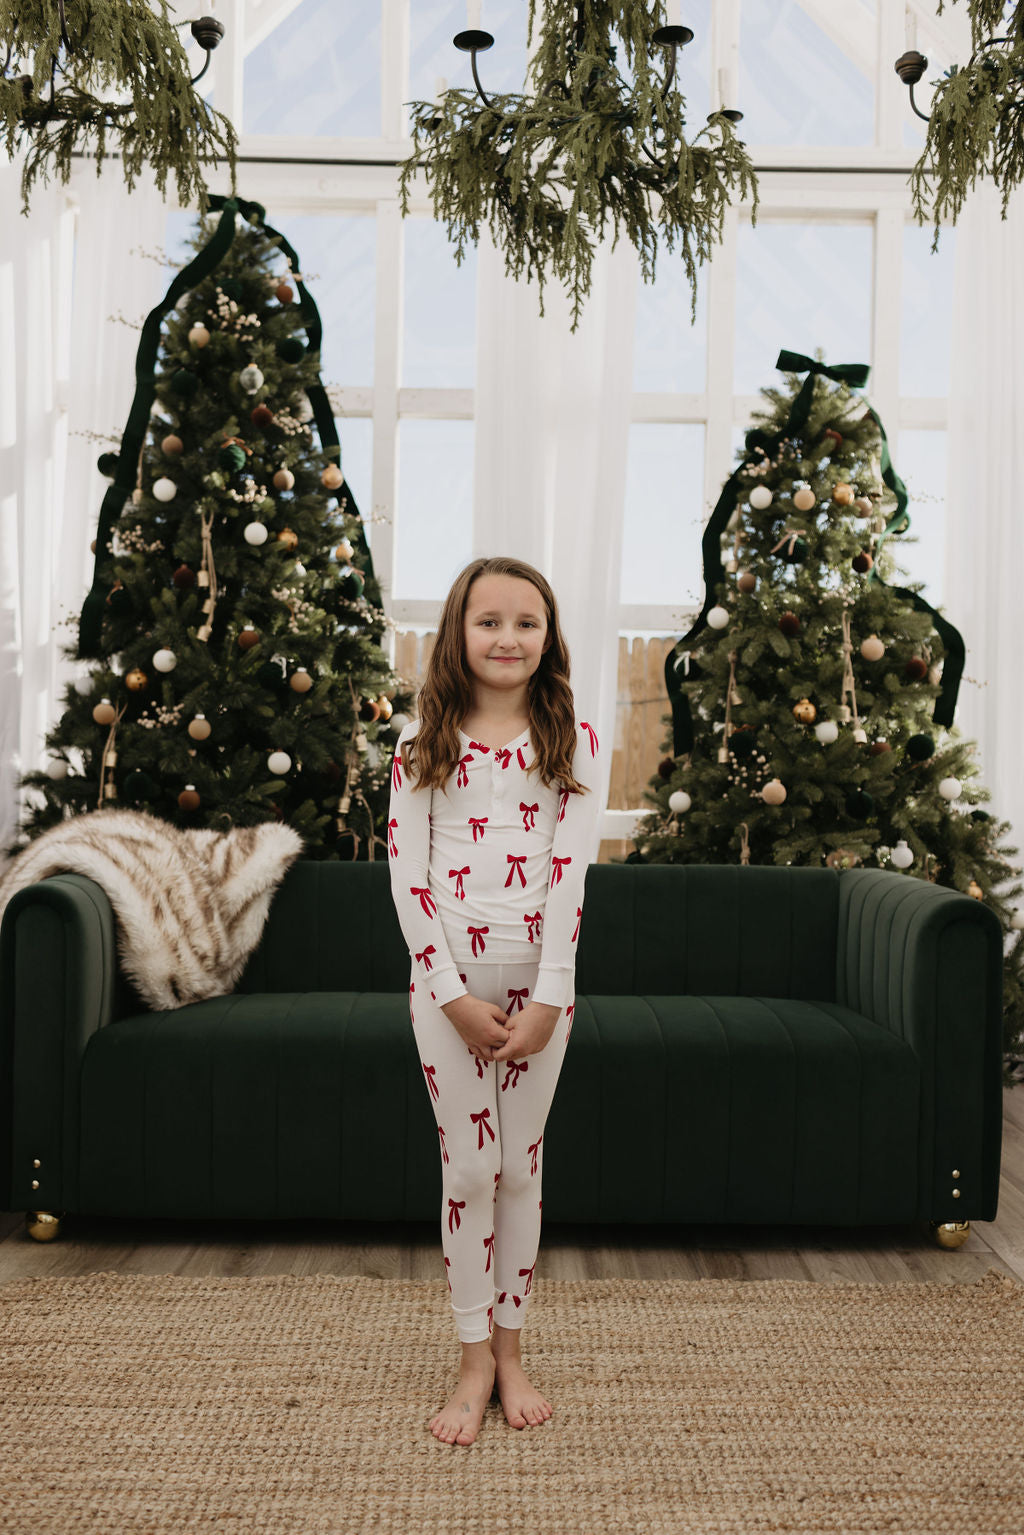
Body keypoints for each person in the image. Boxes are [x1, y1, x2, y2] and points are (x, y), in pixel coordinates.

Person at [387, 554, 602, 1447]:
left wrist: (549, 995)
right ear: (458, 633)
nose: (508, 637)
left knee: (520, 1168)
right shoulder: (419, 749)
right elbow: (408, 881)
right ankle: (472, 1359)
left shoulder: (573, 743)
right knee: (470, 1169)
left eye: (526, 621)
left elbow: (570, 875)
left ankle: (513, 1353)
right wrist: (449, 995)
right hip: (450, 994)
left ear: (547, 636)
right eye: (489, 621)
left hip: (538, 990)